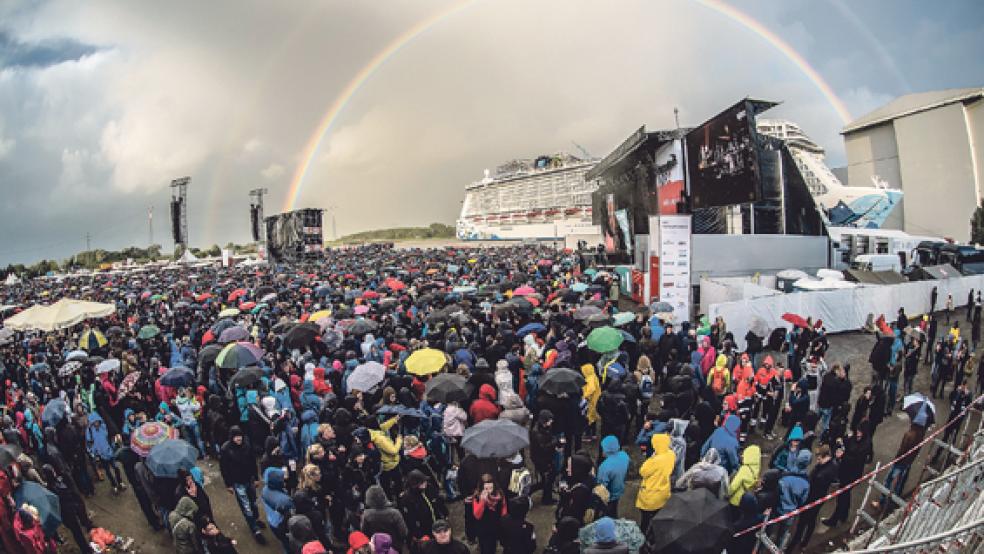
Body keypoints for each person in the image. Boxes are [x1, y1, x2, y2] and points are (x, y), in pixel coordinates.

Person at [219, 425, 267, 544]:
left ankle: (256, 519)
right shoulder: (225, 449)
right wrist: (228, 485)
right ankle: (255, 529)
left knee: (254, 503)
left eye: (240, 436)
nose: (238, 439)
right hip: (237, 483)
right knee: (246, 507)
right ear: (232, 437)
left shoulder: (247, 444)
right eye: (236, 437)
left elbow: (252, 461)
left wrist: (256, 477)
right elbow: (224, 468)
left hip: (249, 480)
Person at [790, 445, 838, 548]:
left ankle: (794, 544)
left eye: (819, 457)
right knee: (811, 520)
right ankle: (804, 542)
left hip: (812, 499)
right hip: (819, 498)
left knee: (802, 522)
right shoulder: (832, 465)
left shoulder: (821, 474)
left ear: (825, 456)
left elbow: (812, 485)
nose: (817, 459)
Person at [824, 425, 872, 527]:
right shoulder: (856, 438)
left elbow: (856, 460)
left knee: (842, 496)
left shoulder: (865, 445)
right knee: (845, 494)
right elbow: (848, 441)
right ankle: (844, 515)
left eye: (860, 431)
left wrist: (843, 456)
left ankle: (834, 519)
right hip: (845, 471)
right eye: (857, 430)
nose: (858, 433)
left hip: (851, 475)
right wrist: (842, 440)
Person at [636, 433, 674, 534]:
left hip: (651, 494)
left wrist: (652, 457)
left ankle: (644, 538)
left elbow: (643, 471)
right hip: (664, 492)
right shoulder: (671, 454)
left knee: (645, 520)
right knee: (657, 518)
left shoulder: (654, 461)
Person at [774, 449, 812, 550]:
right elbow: (803, 500)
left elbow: (776, 493)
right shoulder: (806, 483)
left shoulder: (785, 476)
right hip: (790, 513)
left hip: (777, 509)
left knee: (770, 530)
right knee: (783, 534)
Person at [467, 473, 507, 554]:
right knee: (485, 548)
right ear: (482, 488)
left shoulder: (499, 494)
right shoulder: (477, 497)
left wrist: (503, 520)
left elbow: (504, 508)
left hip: (495, 526)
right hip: (483, 529)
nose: (489, 490)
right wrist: (482, 501)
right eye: (486, 488)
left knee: (492, 546)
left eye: (491, 488)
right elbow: (477, 515)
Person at [361, 485, 408, 551]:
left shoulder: (366, 514)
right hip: (394, 546)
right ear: (383, 496)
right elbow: (404, 532)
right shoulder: (395, 513)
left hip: (376, 547)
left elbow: (364, 532)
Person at [529, 409, 560, 505]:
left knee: (548, 477)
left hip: (545, 457)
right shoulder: (536, 432)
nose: (551, 422)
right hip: (541, 459)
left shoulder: (543, 428)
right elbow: (543, 447)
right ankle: (546, 498)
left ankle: (545, 495)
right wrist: (555, 441)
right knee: (548, 478)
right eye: (549, 420)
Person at [262, 466, 294, 552]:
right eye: (283, 479)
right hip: (281, 525)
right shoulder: (284, 500)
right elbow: (291, 513)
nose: (284, 480)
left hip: (272, 523)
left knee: (285, 544)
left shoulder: (265, 490)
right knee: (290, 545)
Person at [597, 435, 630, 517]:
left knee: (608, 514)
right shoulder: (624, 456)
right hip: (619, 490)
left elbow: (601, 487)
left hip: (609, 496)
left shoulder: (604, 466)